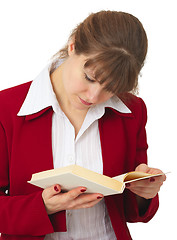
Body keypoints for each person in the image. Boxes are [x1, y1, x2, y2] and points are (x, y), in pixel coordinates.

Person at [0, 10, 166, 240]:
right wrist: (42, 206)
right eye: (89, 77)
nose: (94, 96)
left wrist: (144, 192)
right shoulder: (6, 108)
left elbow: (129, 210)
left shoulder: (132, 111)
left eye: (111, 88)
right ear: (73, 46)